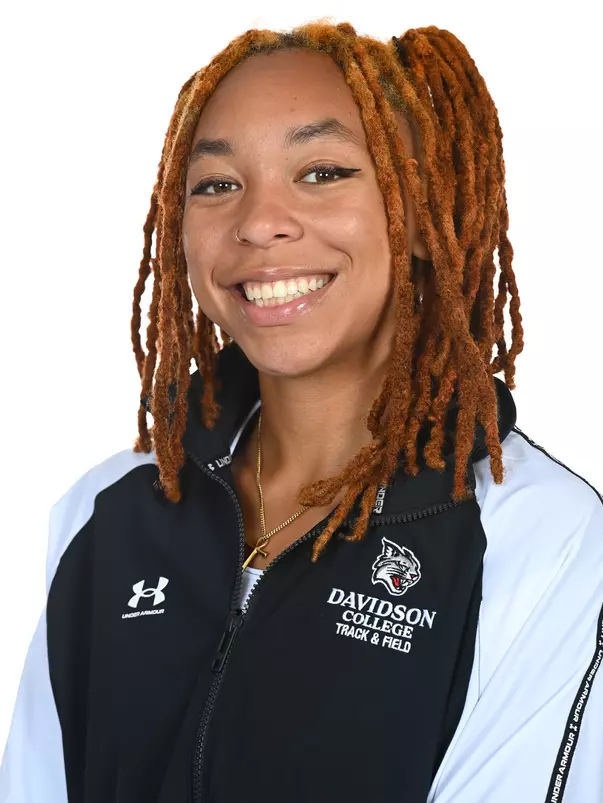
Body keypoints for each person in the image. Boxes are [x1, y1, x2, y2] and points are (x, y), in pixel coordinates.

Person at [0, 19, 601, 803]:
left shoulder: (537, 534)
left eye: (321, 171)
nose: (258, 221)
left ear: (422, 212)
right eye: (216, 184)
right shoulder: (104, 513)